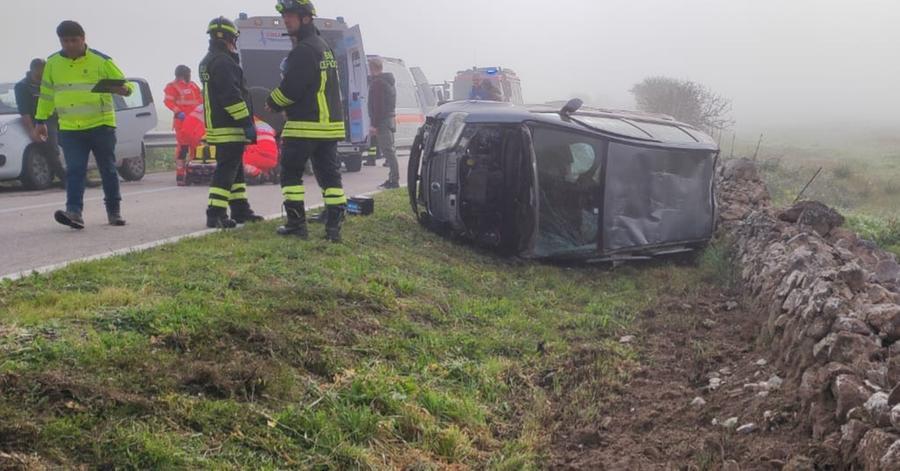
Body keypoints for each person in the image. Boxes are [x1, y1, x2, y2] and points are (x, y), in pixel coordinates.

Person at [35, 21, 131, 229]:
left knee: (107, 169)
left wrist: (124, 90)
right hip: (70, 129)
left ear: (83, 38)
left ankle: (114, 212)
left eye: (73, 40)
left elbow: (125, 84)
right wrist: (40, 120)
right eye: (64, 41)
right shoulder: (52, 63)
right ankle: (74, 213)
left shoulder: (101, 60)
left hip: (101, 125)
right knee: (75, 169)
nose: (69, 45)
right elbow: (46, 95)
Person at [269, 0, 348, 242]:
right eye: (284, 16)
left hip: (304, 125)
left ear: (305, 18)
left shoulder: (303, 50)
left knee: (290, 175)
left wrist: (273, 102)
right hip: (328, 128)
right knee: (330, 178)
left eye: (290, 16)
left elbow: (292, 88)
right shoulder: (324, 46)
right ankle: (333, 228)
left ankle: (296, 225)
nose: (286, 20)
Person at [199, 17, 265, 228]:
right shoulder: (224, 62)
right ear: (229, 38)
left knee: (234, 171)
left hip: (219, 125)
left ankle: (240, 210)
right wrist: (246, 122)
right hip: (230, 125)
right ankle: (215, 213)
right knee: (226, 171)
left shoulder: (209, 60)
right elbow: (231, 96)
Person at [15, 58, 63, 183]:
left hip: (58, 117)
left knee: (72, 146)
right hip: (41, 120)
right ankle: (65, 178)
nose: (43, 76)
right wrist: (32, 131)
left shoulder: (49, 82)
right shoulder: (23, 87)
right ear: (33, 70)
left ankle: (81, 177)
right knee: (51, 148)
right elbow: (24, 111)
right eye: (41, 73)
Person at [163, 65, 203, 180]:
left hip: (195, 123)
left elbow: (201, 100)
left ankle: (193, 171)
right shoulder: (172, 86)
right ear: (183, 75)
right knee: (183, 148)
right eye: (188, 74)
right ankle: (180, 174)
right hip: (182, 122)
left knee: (196, 147)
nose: (190, 76)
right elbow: (168, 102)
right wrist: (178, 112)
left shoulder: (193, 85)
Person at [367, 57, 398, 189]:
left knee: (388, 151)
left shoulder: (378, 83)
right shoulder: (388, 82)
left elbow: (378, 105)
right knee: (389, 150)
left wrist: (374, 124)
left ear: (372, 67)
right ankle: (393, 178)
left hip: (383, 121)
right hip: (389, 119)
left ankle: (394, 180)